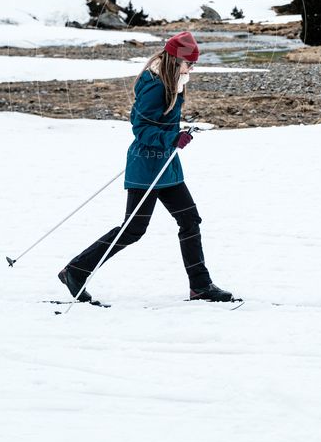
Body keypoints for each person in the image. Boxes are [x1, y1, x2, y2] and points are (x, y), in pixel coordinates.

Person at [58, 30, 235, 303]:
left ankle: (200, 286)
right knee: (133, 230)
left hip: (166, 167)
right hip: (146, 167)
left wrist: (174, 137)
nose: (192, 68)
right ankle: (76, 271)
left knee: (189, 220)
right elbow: (140, 129)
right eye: (190, 63)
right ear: (176, 60)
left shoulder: (173, 80)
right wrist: (171, 137)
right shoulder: (155, 84)